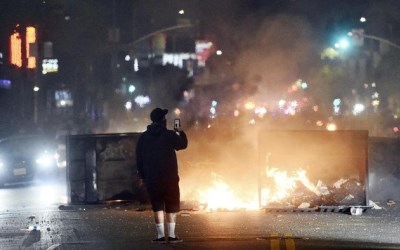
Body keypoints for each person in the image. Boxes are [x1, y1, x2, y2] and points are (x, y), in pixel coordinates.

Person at [136, 108, 188, 244]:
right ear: (162, 120)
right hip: (169, 178)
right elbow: (182, 145)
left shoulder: (143, 137)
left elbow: (139, 159)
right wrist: (179, 131)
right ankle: (171, 236)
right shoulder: (169, 135)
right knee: (171, 206)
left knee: (157, 206)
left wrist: (143, 176)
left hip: (152, 178)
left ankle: (160, 237)